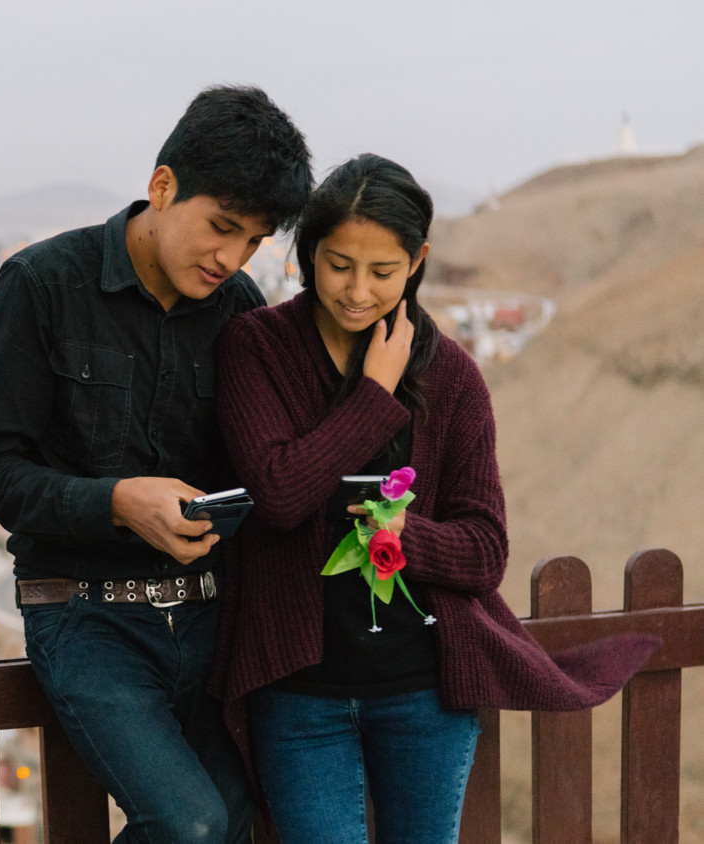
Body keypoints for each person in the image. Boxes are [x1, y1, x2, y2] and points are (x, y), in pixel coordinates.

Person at [209, 153, 660, 844]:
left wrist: (399, 537)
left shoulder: (452, 379)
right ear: (306, 252)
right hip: (299, 697)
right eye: (338, 264)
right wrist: (374, 395)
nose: (357, 290)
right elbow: (278, 493)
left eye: (382, 272)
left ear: (416, 260)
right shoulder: (256, 349)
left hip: (424, 696)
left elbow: (484, 551)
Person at [0, 85, 312, 844]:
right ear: (161, 186)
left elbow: (259, 462)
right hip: (85, 619)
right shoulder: (42, 285)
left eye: (251, 241)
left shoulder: (240, 307)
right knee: (188, 824)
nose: (231, 257)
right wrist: (117, 501)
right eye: (221, 227)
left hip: (209, 615)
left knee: (245, 815)